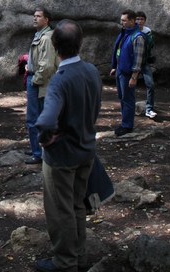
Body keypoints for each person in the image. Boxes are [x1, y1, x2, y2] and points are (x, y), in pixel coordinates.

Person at [34, 19, 101, 272]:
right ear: (80, 43)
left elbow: (46, 121)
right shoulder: (91, 71)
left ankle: (65, 262)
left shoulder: (59, 80)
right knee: (77, 205)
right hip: (87, 150)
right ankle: (79, 257)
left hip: (62, 157)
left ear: (54, 46)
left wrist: (45, 138)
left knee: (60, 210)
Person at [24, 7, 59, 165]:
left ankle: (39, 153)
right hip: (35, 79)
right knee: (35, 117)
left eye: (38, 16)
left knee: (36, 118)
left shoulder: (46, 38)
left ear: (47, 20)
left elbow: (47, 65)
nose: (35, 18)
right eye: (34, 16)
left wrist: (35, 80)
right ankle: (36, 148)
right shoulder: (40, 35)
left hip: (40, 83)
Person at [109, 10, 145, 137]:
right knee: (122, 97)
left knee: (128, 99)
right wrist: (115, 66)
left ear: (132, 21)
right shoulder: (124, 33)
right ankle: (124, 123)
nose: (122, 22)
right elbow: (119, 50)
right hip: (120, 71)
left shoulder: (138, 37)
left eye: (124, 20)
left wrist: (134, 77)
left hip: (128, 74)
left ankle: (127, 126)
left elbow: (138, 59)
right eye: (121, 20)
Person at [135, 12, 156, 119]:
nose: (139, 21)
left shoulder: (147, 31)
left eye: (142, 19)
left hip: (144, 62)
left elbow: (150, 45)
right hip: (133, 63)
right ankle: (129, 107)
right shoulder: (131, 31)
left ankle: (149, 109)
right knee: (129, 84)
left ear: (145, 20)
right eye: (137, 19)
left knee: (150, 84)